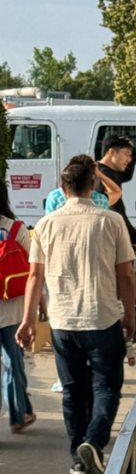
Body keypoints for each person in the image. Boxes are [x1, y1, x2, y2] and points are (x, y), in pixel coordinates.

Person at [15, 155, 136, 474]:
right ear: (92, 185)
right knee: (106, 387)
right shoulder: (111, 220)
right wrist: (130, 315)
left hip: (63, 321)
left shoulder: (46, 224)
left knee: (72, 391)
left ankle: (78, 461)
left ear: (63, 187)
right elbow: (126, 274)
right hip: (103, 317)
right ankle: (93, 443)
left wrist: (28, 321)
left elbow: (34, 276)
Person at [0, 181, 36, 435]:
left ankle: (22, 411)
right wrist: (38, 305)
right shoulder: (16, 228)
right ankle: (18, 414)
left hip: (12, 311)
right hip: (12, 309)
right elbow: (34, 269)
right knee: (13, 362)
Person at [95, 134, 136, 246]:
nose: (129, 159)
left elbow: (127, 175)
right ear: (112, 152)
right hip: (106, 237)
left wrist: (133, 154)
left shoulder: (102, 170)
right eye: (126, 154)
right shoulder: (106, 175)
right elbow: (117, 211)